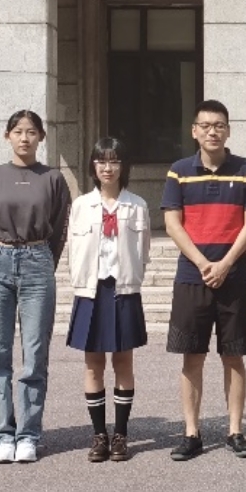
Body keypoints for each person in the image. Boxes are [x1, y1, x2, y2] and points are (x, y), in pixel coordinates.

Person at [162, 100, 246, 461]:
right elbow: (172, 223)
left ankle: (235, 431)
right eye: (205, 125)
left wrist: (225, 264)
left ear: (228, 130)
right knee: (192, 357)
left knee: (234, 357)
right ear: (194, 131)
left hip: (234, 279)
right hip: (192, 277)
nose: (212, 132)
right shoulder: (178, 172)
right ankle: (192, 433)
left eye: (219, 125)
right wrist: (205, 263)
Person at [0, 109, 71, 464]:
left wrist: (43, 259)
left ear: (41, 137)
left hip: (37, 260)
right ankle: (3, 435)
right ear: (7, 136)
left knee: (35, 352)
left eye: (31, 132)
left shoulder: (53, 178)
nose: (24, 138)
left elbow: (60, 227)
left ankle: (29, 434)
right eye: (18, 131)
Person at [66, 137, 151, 463]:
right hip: (92, 290)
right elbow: (74, 250)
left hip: (123, 290)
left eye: (114, 161)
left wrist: (132, 277)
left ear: (123, 166)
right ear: (93, 166)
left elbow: (143, 250)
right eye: (102, 161)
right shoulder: (81, 205)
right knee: (93, 364)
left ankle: (121, 434)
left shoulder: (137, 205)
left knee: (124, 362)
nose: (108, 167)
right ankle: (99, 434)